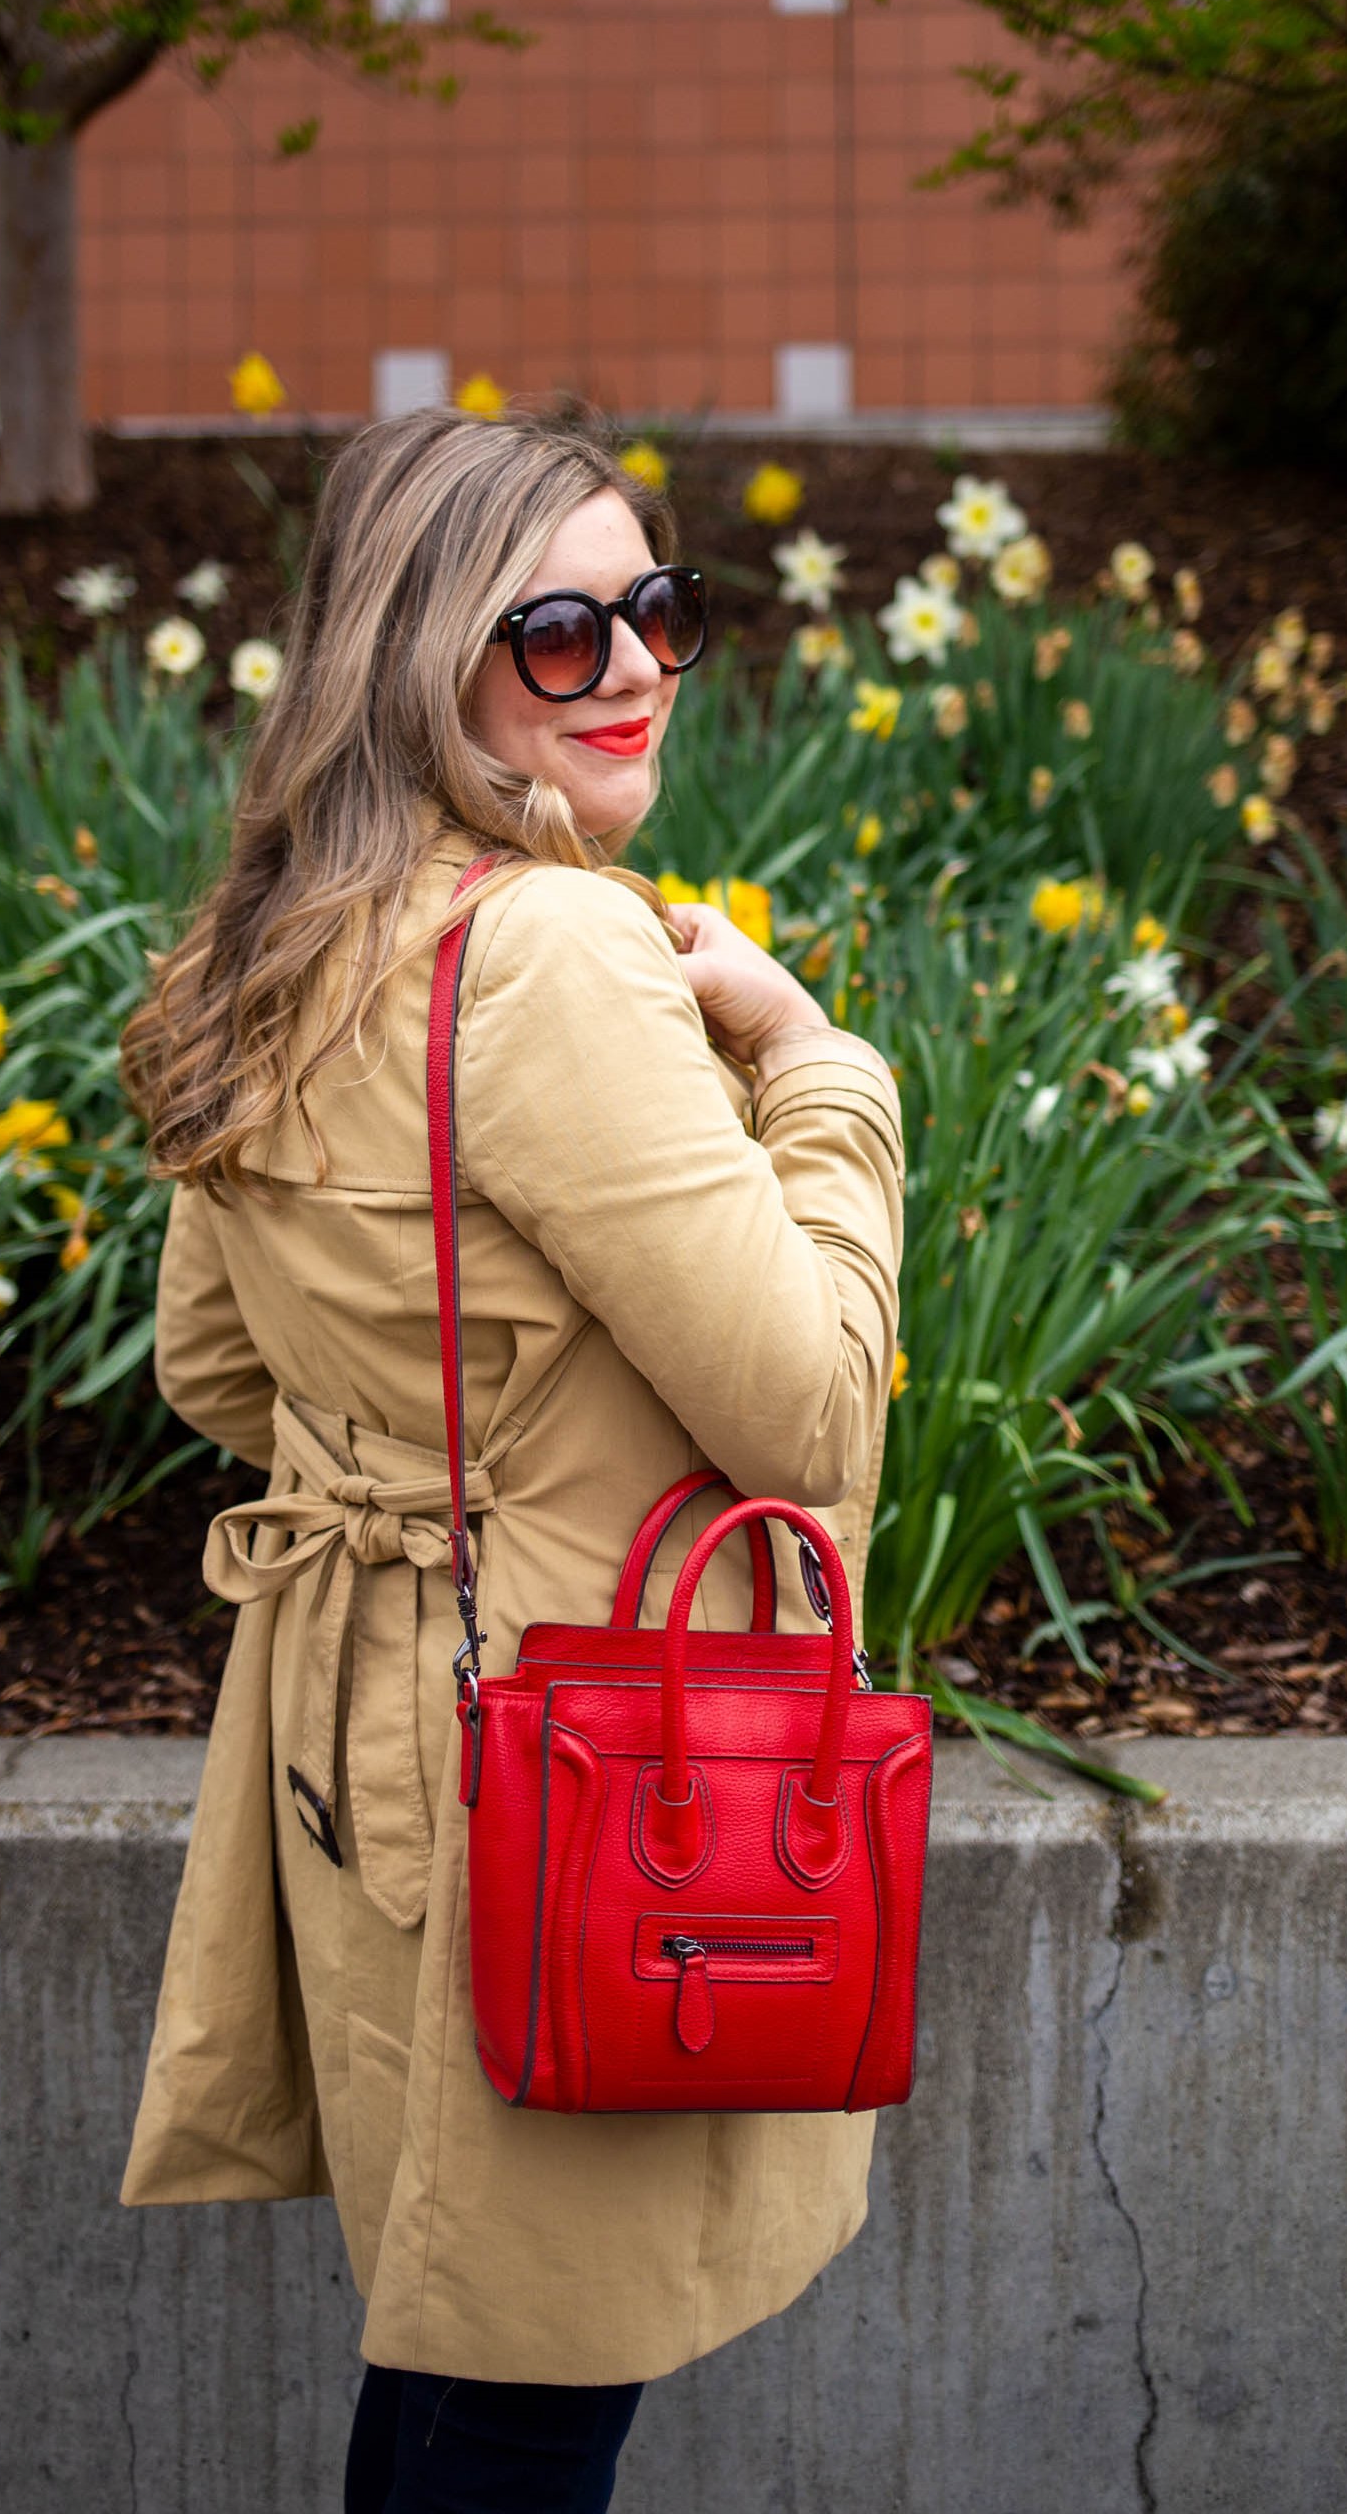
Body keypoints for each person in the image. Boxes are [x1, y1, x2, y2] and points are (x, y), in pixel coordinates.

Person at [119, 406, 905, 2512]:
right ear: (418, 659)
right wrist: (820, 1064)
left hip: (359, 1738)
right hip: (582, 1754)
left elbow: (214, 1362)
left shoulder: (271, 941)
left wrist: (411, 1466)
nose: (638, 662)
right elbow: (816, 1408)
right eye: (561, 631)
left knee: (463, 2324)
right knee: (528, 2384)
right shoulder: (550, 950)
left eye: (661, 606)